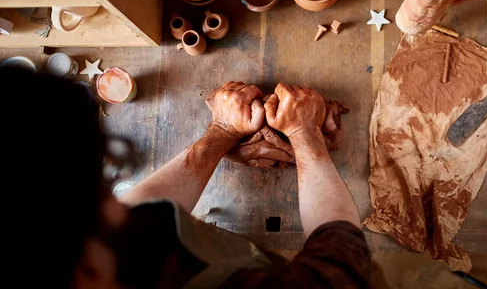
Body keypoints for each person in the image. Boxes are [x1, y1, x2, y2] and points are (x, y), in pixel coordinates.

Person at [1, 67, 371, 288]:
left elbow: (142, 209)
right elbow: (341, 259)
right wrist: (305, 132)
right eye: (100, 192)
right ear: (88, 267)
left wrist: (223, 132)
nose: (118, 203)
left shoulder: (57, 244)